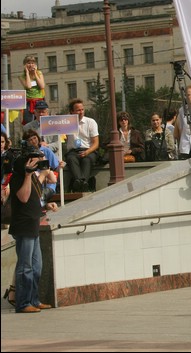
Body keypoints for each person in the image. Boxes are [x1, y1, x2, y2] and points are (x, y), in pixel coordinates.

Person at [9, 145, 58, 313]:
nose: (40, 162)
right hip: (23, 226)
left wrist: (46, 205)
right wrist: (28, 174)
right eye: (37, 158)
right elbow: (23, 197)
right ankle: (23, 303)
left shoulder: (35, 176)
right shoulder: (18, 177)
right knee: (25, 266)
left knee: (37, 266)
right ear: (28, 160)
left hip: (33, 223)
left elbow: (35, 199)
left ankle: (34, 300)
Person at [65, 98, 99, 192]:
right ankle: (83, 183)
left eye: (82, 109)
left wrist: (87, 152)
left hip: (88, 150)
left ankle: (78, 183)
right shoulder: (66, 122)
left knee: (87, 160)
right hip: (73, 151)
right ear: (72, 111)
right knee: (71, 159)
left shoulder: (90, 122)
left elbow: (96, 143)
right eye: (78, 110)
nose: (81, 112)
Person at [18, 55, 45, 125]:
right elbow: (28, 86)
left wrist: (35, 73)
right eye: (28, 63)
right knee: (28, 121)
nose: (31, 65)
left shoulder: (39, 73)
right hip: (28, 102)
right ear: (25, 65)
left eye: (32, 63)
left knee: (41, 121)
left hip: (39, 100)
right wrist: (27, 73)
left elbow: (42, 86)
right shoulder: (22, 76)